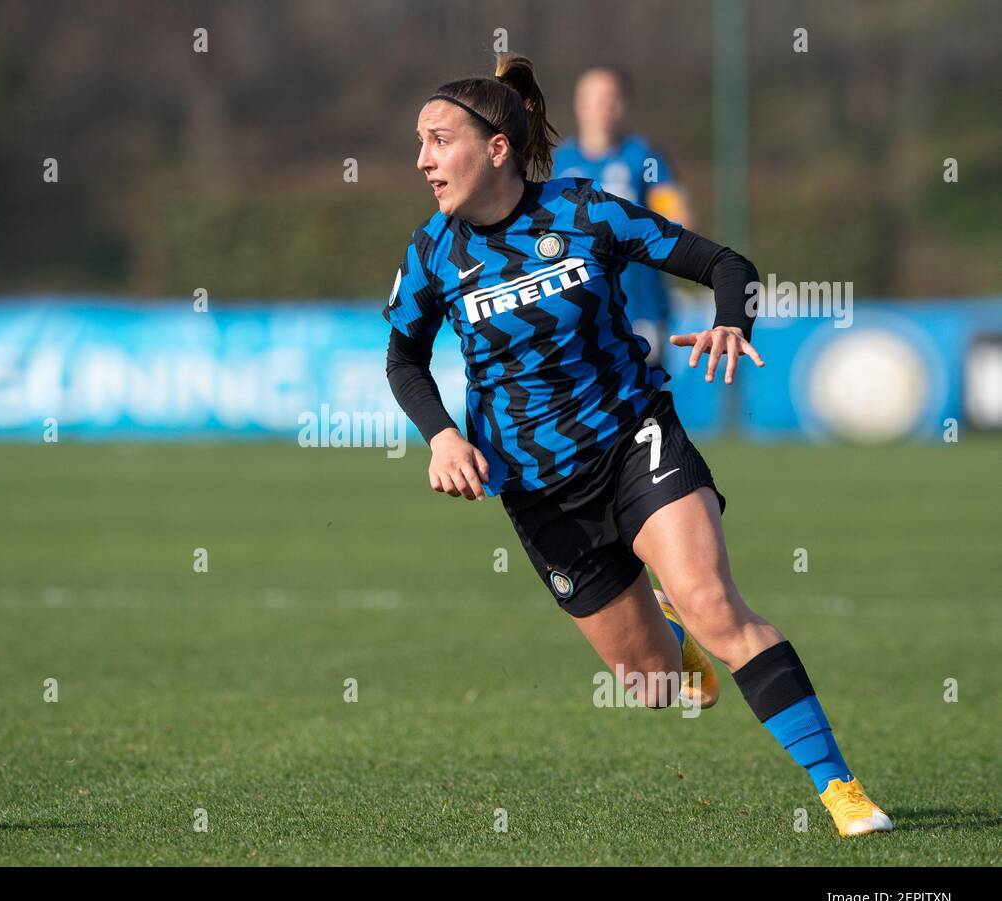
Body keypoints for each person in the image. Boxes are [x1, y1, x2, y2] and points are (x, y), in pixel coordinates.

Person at [382, 53, 892, 837]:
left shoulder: (586, 213)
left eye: (438, 140)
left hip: (633, 439)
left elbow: (726, 263)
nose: (422, 159)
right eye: (419, 141)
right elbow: (403, 358)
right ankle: (669, 635)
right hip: (539, 490)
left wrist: (730, 319)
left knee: (719, 607)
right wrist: (442, 435)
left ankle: (841, 790)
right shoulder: (431, 254)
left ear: (495, 149)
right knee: (651, 685)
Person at [552, 66, 693, 367]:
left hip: (639, 310)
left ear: (622, 105)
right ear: (579, 104)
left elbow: (680, 221)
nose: (601, 108)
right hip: (577, 313)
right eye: (592, 99)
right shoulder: (561, 163)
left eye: (610, 98)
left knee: (640, 405)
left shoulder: (645, 158)